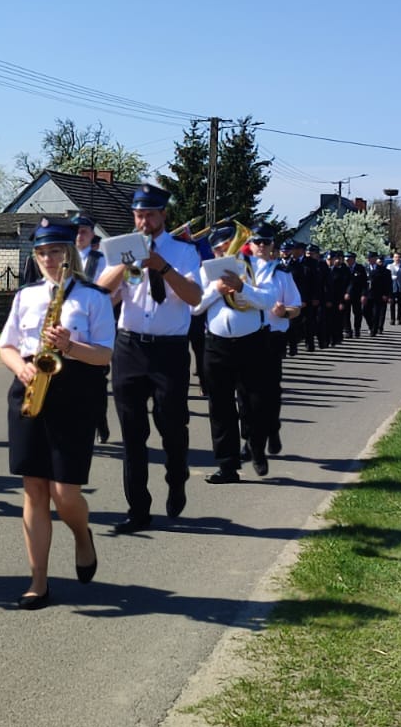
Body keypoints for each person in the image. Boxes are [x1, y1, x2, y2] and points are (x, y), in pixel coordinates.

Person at [0, 219, 116, 609]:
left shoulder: (94, 297)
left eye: (55, 252)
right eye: (42, 253)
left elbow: (104, 354)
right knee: (34, 488)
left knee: (65, 492)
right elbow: (6, 345)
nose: (48, 259)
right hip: (31, 387)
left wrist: (70, 346)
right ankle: (38, 582)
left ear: (70, 254)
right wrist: (20, 367)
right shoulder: (26, 295)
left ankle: (81, 534)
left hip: (75, 391)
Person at [95, 183, 203, 533]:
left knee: (172, 426)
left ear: (163, 215)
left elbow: (194, 298)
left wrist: (162, 267)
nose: (143, 221)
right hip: (130, 347)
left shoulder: (184, 251)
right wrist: (125, 264)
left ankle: (176, 477)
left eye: (150, 215)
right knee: (132, 433)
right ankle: (138, 509)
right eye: (139, 215)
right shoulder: (121, 247)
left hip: (169, 349)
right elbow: (101, 294)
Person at [196, 224, 279, 484]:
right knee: (220, 407)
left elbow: (269, 301)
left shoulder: (257, 267)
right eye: (219, 250)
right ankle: (227, 466)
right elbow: (194, 307)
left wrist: (242, 288)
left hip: (252, 343)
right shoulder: (206, 271)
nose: (224, 254)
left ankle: (256, 445)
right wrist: (216, 289)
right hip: (216, 345)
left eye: (228, 247)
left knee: (256, 403)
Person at [251, 229, 301, 456]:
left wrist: (284, 312)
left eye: (265, 241)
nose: (261, 245)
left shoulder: (282, 274)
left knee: (270, 391)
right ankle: (251, 437)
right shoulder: (242, 272)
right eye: (257, 241)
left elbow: (296, 308)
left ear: (272, 245)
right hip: (246, 337)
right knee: (246, 393)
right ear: (250, 244)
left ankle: (272, 429)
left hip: (273, 337)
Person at [73, 214, 111, 445]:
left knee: (96, 381)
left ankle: (100, 421)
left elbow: (107, 292)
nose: (79, 235)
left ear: (91, 234)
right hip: (69, 326)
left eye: (84, 231)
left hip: (93, 326)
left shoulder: (101, 260)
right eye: (76, 231)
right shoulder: (62, 256)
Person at [346, 252, 368, 340]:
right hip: (346, 295)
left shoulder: (360, 268)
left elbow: (364, 283)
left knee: (357, 313)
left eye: (349, 259)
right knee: (346, 314)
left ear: (353, 259)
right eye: (346, 259)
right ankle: (348, 331)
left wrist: (364, 294)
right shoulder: (344, 268)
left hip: (357, 295)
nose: (347, 261)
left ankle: (357, 330)